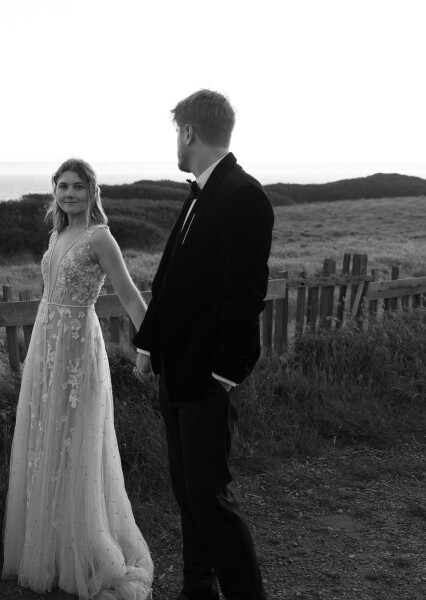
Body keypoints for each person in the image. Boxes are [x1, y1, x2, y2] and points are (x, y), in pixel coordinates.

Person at [133, 89, 274, 600]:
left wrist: (225, 374)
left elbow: (246, 297)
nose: (176, 141)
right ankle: (198, 589)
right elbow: (172, 282)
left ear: (189, 132)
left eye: (177, 131)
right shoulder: (199, 193)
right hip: (177, 368)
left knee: (208, 497)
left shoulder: (241, 195)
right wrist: (149, 348)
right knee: (187, 494)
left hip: (207, 376)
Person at [2, 158, 154, 600]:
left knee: (76, 441)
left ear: (92, 192)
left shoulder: (99, 237)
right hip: (45, 346)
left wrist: (150, 346)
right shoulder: (57, 235)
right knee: (46, 439)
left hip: (76, 352)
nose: (68, 194)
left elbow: (128, 293)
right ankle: (50, 550)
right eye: (62, 187)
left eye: (77, 187)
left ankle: (86, 549)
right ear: (55, 192)